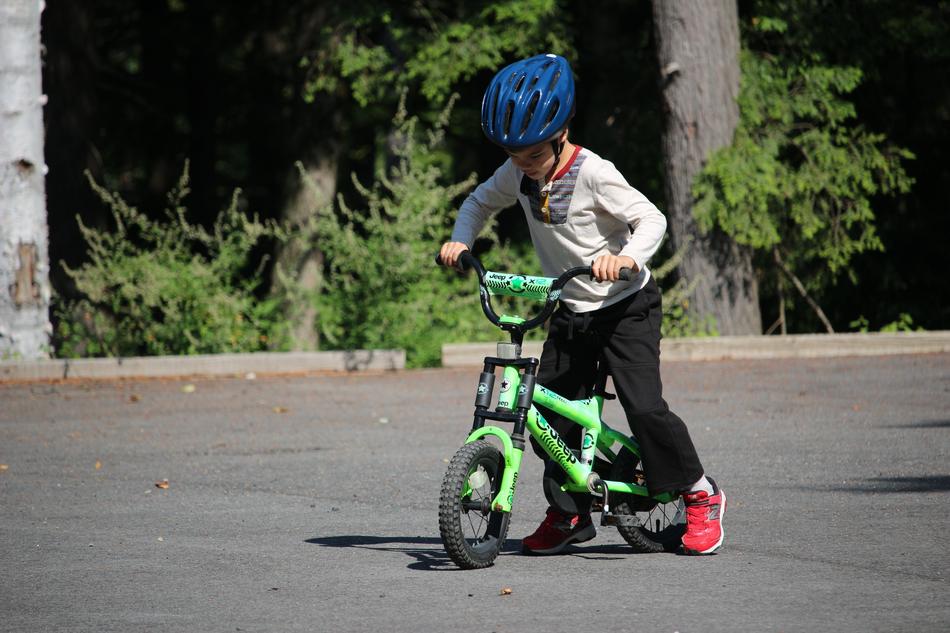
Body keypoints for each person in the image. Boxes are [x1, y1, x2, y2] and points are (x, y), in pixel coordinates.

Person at [438, 53, 725, 556]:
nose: (521, 167)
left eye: (531, 156)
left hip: (625, 306)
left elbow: (651, 218)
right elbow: (478, 202)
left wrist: (627, 258)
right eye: (513, 156)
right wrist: (461, 242)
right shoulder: (518, 171)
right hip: (571, 308)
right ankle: (570, 513)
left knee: (644, 406)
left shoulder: (594, 172)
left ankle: (700, 493)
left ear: (561, 133)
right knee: (550, 409)